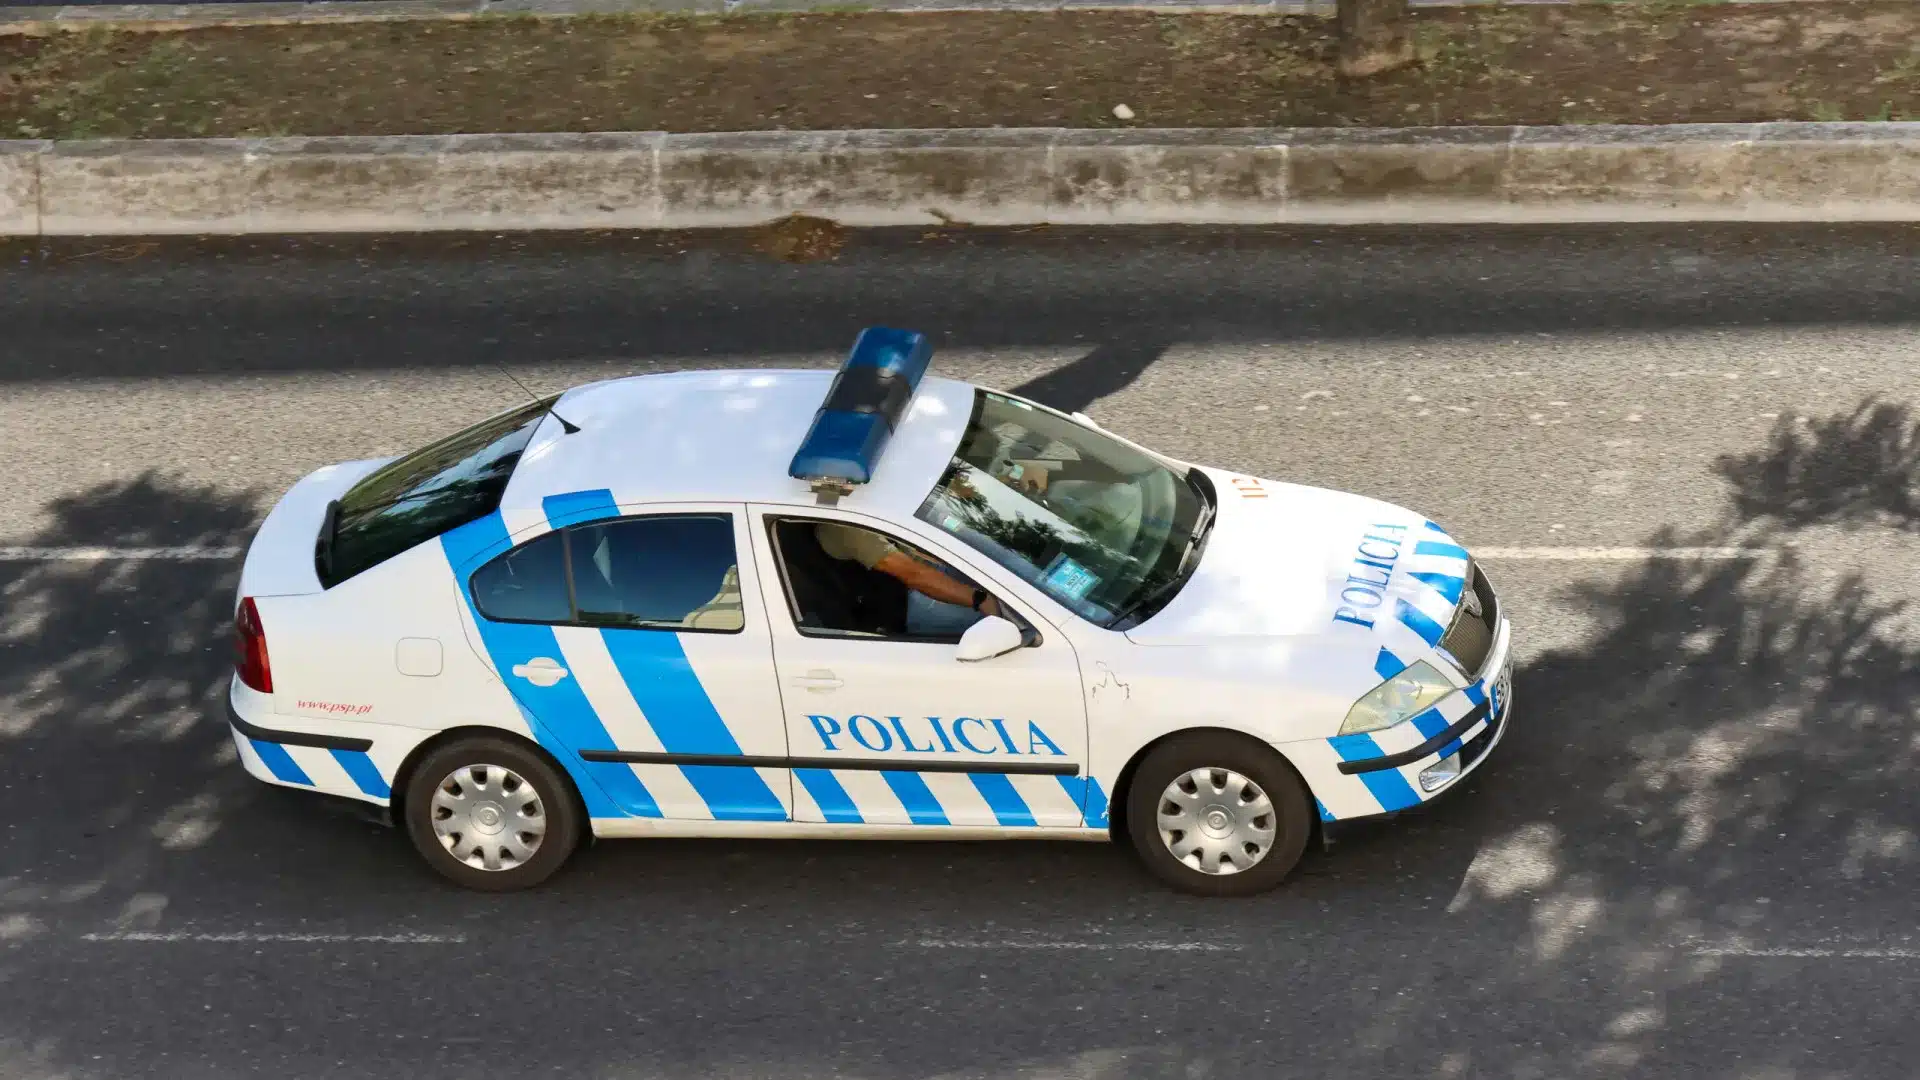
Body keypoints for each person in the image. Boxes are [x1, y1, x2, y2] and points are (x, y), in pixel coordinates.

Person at [814, 522, 1003, 638]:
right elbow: (914, 575)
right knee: (1001, 620)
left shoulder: (865, 498)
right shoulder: (849, 529)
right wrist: (980, 599)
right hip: (908, 600)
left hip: (925, 575)